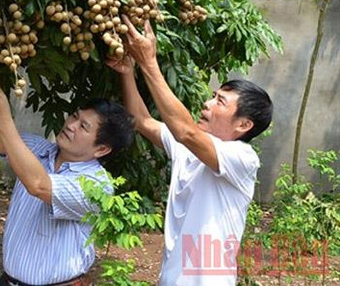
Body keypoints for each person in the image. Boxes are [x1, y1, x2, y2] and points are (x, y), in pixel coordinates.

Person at [107, 17, 273, 286]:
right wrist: (127, 71)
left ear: (244, 124)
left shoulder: (242, 158)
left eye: (219, 101)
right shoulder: (189, 149)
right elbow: (141, 120)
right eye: (213, 96)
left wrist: (149, 63)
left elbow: (185, 131)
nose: (207, 104)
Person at [0, 75, 135, 286]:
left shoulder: (97, 186)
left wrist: (4, 119)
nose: (71, 125)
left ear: (102, 149)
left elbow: (39, 185)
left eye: (83, 127)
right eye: (74, 117)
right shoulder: (38, 149)